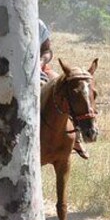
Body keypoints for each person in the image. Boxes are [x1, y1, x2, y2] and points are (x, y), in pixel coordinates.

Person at [39, 19, 89, 159]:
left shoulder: (38, 24)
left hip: (40, 70)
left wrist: (40, 62)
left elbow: (47, 50)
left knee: (64, 86)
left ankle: (75, 137)